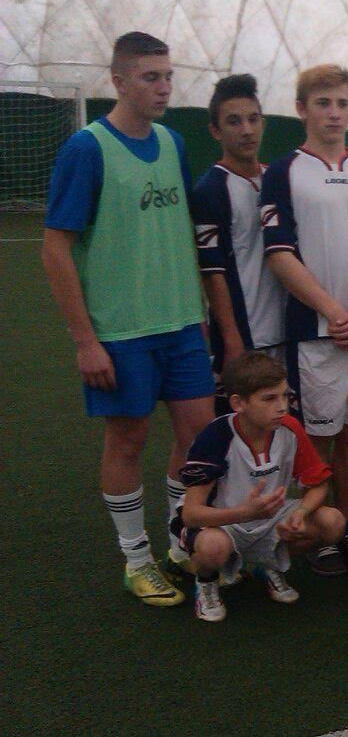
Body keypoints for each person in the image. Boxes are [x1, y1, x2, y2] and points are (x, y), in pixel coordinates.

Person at [41, 31, 214, 606]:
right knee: (128, 439)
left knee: (198, 435)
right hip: (120, 332)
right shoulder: (86, 149)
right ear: (118, 81)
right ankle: (136, 560)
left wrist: (199, 308)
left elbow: (181, 230)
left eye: (168, 77)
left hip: (182, 324)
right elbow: (55, 249)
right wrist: (85, 341)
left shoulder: (172, 142)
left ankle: (179, 541)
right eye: (150, 77)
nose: (164, 88)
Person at [261, 64, 348, 575]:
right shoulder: (283, 171)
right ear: (302, 109)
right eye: (323, 103)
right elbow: (279, 255)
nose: (334, 113)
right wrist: (336, 312)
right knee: (315, 438)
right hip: (316, 334)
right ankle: (321, 531)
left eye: (342, 103)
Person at [175, 352, 345, 622]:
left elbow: (318, 486)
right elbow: (191, 514)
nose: (282, 407)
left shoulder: (290, 428)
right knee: (212, 548)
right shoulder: (215, 437)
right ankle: (206, 581)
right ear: (238, 403)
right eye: (269, 399)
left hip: (269, 517)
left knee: (332, 522)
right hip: (222, 522)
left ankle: (267, 564)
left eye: (285, 396)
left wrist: (300, 514)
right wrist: (245, 513)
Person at [191, 74, 286, 418]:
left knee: (284, 429)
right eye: (234, 121)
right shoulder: (210, 189)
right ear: (216, 131)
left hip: (287, 333)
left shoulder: (278, 177)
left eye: (253, 119)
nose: (246, 130)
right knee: (234, 430)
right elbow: (212, 272)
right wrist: (232, 342)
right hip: (245, 338)